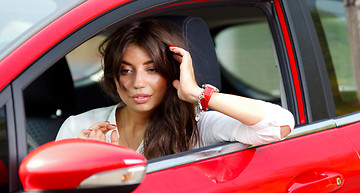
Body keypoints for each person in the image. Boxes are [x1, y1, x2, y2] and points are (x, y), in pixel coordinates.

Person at [56, 18, 295, 159]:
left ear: (171, 72)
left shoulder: (195, 127)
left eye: (152, 70)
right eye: (126, 70)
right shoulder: (80, 129)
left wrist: (196, 94)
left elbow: (278, 125)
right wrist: (88, 164)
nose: (138, 82)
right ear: (114, 76)